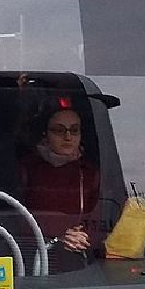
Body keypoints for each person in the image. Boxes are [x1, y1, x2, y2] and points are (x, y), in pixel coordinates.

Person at [18, 104, 101, 273]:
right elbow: (14, 219)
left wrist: (85, 237)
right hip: (32, 260)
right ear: (45, 134)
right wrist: (58, 237)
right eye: (59, 130)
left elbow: (103, 221)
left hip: (78, 263)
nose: (68, 136)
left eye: (74, 130)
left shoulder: (90, 173)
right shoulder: (26, 169)